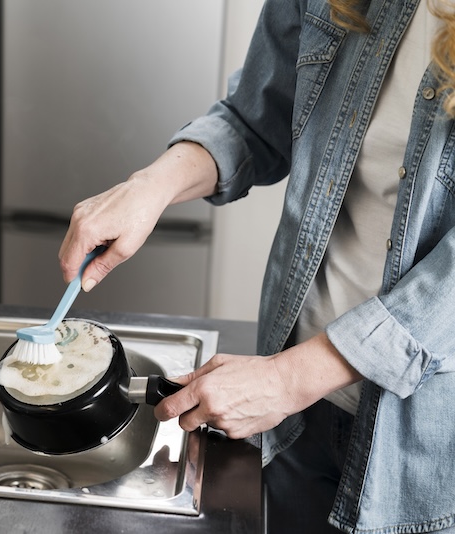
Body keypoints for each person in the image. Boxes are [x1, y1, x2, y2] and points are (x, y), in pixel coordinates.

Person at [58, 0, 455, 532]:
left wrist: (292, 378)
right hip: (290, 413)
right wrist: (150, 186)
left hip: (423, 445)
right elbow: (255, 118)